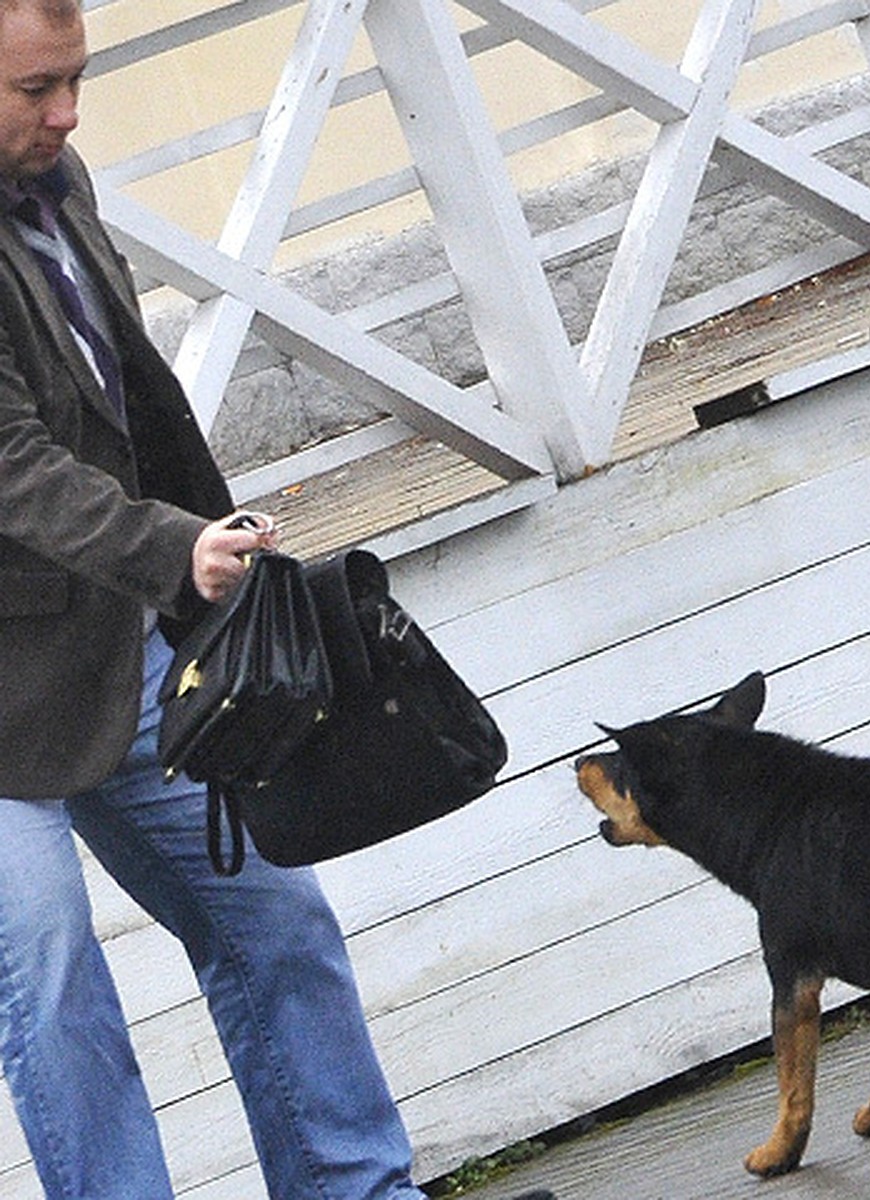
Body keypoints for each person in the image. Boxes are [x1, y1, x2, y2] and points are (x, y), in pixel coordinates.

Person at [0, 1, 556, 1197]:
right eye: (35, 89)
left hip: (101, 643)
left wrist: (217, 560)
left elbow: (135, 397)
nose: (68, 111)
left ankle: (359, 1190)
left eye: (76, 78)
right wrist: (172, 550)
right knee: (50, 971)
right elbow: (9, 465)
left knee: (273, 918)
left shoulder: (51, 179)